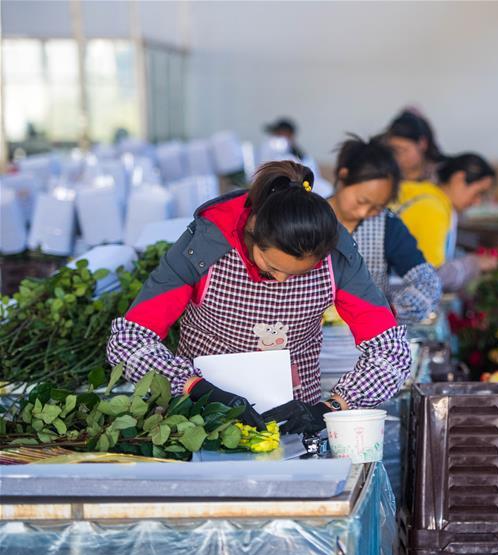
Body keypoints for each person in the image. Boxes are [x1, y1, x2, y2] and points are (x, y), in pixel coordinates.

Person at [107, 161, 411, 435]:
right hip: (198, 421)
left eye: (297, 274)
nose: (280, 281)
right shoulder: (205, 247)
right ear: (252, 233)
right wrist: (193, 386)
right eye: (272, 267)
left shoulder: (338, 258)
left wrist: (330, 408)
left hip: (292, 425)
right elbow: (129, 341)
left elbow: (391, 351)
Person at [328, 135, 441, 324]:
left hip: (368, 340)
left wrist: (389, 312)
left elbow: (427, 282)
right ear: (343, 175)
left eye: (377, 207)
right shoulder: (308, 217)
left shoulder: (388, 226)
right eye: (362, 201)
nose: (365, 212)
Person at [393, 152, 498, 292]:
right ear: (459, 179)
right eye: (478, 192)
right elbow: (431, 275)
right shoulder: (432, 209)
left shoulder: (424, 196)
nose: (478, 201)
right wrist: (474, 264)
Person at [261, 117, 333, 197]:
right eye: (276, 134)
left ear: (290, 135)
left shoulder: (303, 157)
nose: (277, 138)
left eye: (280, 134)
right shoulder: (271, 150)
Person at [383, 109, 444, 182]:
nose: (399, 156)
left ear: (422, 144)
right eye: (394, 150)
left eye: (404, 150)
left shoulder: (442, 176)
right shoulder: (387, 178)